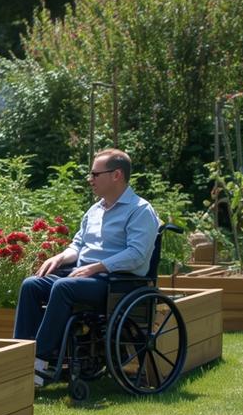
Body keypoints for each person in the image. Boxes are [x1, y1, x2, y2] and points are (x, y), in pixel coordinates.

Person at [14, 148, 159, 385]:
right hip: (82, 276)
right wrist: (60, 258)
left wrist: (98, 267)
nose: (89, 179)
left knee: (63, 287)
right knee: (32, 284)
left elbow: (137, 255)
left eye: (95, 174)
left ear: (116, 175)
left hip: (117, 283)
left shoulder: (140, 210)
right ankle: (19, 357)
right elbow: (78, 246)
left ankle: (41, 361)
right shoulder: (95, 210)